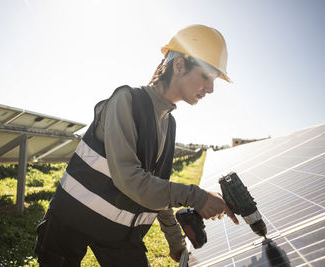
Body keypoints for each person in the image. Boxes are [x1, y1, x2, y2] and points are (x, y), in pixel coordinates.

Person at [35, 24, 239, 267]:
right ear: (179, 65)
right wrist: (196, 197)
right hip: (70, 222)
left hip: (119, 235)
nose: (211, 89)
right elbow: (130, 179)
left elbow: (157, 187)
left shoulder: (168, 124)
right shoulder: (126, 101)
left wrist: (175, 241)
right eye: (206, 76)